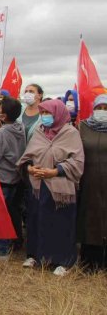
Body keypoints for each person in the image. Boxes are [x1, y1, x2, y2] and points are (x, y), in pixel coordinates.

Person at [18, 99, 84, 276]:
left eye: (48, 113)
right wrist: (30, 168)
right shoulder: (39, 132)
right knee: (36, 220)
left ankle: (63, 261)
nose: (45, 117)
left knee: (60, 224)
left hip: (60, 186)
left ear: (59, 113)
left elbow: (77, 161)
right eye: (43, 113)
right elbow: (28, 156)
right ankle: (36, 256)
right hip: (38, 185)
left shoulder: (70, 133)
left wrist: (55, 172)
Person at [0, 97, 26, 259]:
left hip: (1, 178)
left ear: (4, 113)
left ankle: (2, 250)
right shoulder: (19, 127)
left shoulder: (2, 133)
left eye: (0, 108)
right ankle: (4, 245)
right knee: (7, 212)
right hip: (14, 177)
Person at [77, 94, 107, 271]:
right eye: (99, 108)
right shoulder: (83, 127)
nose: (102, 112)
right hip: (89, 181)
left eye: (105, 109)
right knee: (90, 220)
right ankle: (90, 262)